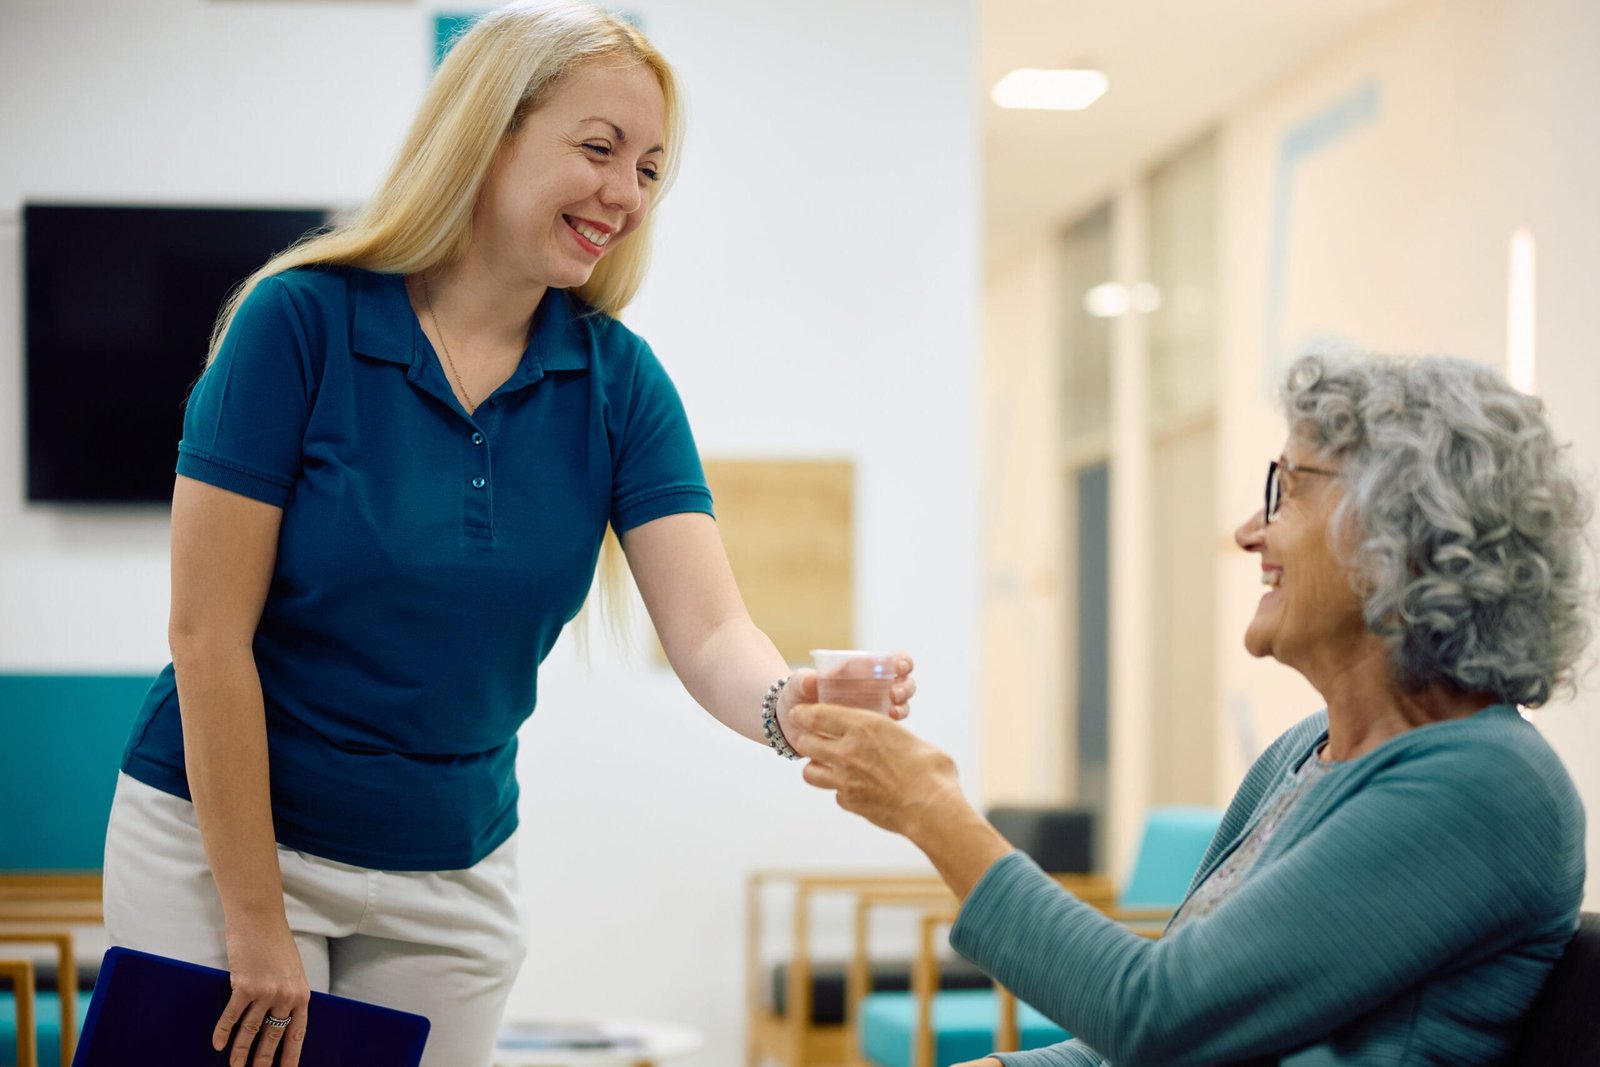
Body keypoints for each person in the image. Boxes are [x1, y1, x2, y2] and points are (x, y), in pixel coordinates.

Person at [100, 4, 913, 1066]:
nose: (626, 194)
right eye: (598, 148)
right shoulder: (298, 323)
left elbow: (710, 626)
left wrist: (787, 707)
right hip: (227, 847)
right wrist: (252, 920)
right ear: (489, 133)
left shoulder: (620, 383)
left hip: (451, 865)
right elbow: (207, 635)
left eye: (652, 169)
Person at [788, 351, 1590, 1065]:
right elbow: (1152, 1038)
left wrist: (931, 808)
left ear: (1405, 535)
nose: (1250, 530)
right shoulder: (1304, 752)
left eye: (1287, 489)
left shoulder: (1486, 785)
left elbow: (1159, 1013)